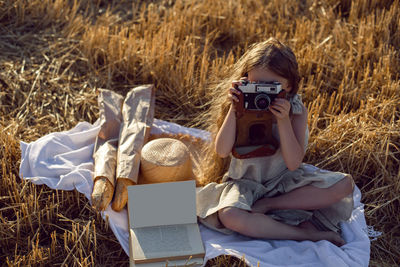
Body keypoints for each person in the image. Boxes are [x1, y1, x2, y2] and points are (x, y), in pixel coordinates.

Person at [196, 37, 354, 247]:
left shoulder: (296, 111)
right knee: (230, 215)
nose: (262, 93)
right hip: (246, 185)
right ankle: (304, 235)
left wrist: (283, 120)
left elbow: (293, 163)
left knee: (345, 185)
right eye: (256, 85)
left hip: (284, 185)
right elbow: (222, 151)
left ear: (289, 85)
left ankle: (270, 207)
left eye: (271, 86)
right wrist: (235, 110)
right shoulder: (238, 105)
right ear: (245, 80)